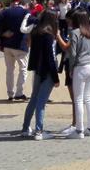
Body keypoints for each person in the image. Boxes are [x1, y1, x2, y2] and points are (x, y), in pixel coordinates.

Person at [58, 9, 90, 139]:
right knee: (88, 98)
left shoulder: (74, 32)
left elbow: (73, 53)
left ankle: (79, 130)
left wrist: (71, 68)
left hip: (80, 66)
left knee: (78, 99)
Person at [20, 11, 59, 140]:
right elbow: (50, 57)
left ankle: (25, 128)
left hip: (37, 68)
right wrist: (55, 77)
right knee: (41, 101)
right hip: (47, 70)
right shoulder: (48, 35)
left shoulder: (36, 32)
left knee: (34, 99)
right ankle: (39, 131)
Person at [0, 0, 29, 101]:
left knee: (10, 70)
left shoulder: (5, 12)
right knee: (23, 69)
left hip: (7, 44)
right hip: (20, 44)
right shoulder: (25, 12)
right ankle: (19, 93)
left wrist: (2, 34)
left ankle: (10, 93)